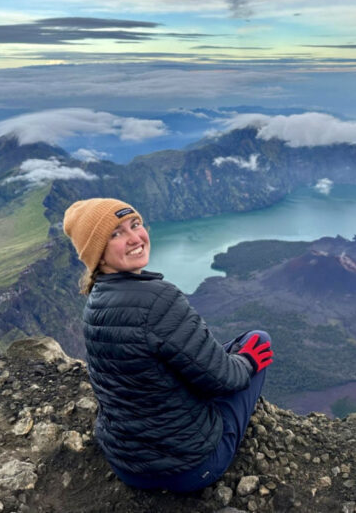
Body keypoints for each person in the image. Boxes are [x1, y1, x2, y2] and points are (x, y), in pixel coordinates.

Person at [62, 197, 273, 493]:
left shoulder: (95, 302)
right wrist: (248, 361)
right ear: (98, 253)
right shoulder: (158, 299)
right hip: (190, 467)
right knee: (257, 341)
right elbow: (225, 379)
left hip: (127, 465)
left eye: (135, 224)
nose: (135, 237)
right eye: (116, 233)